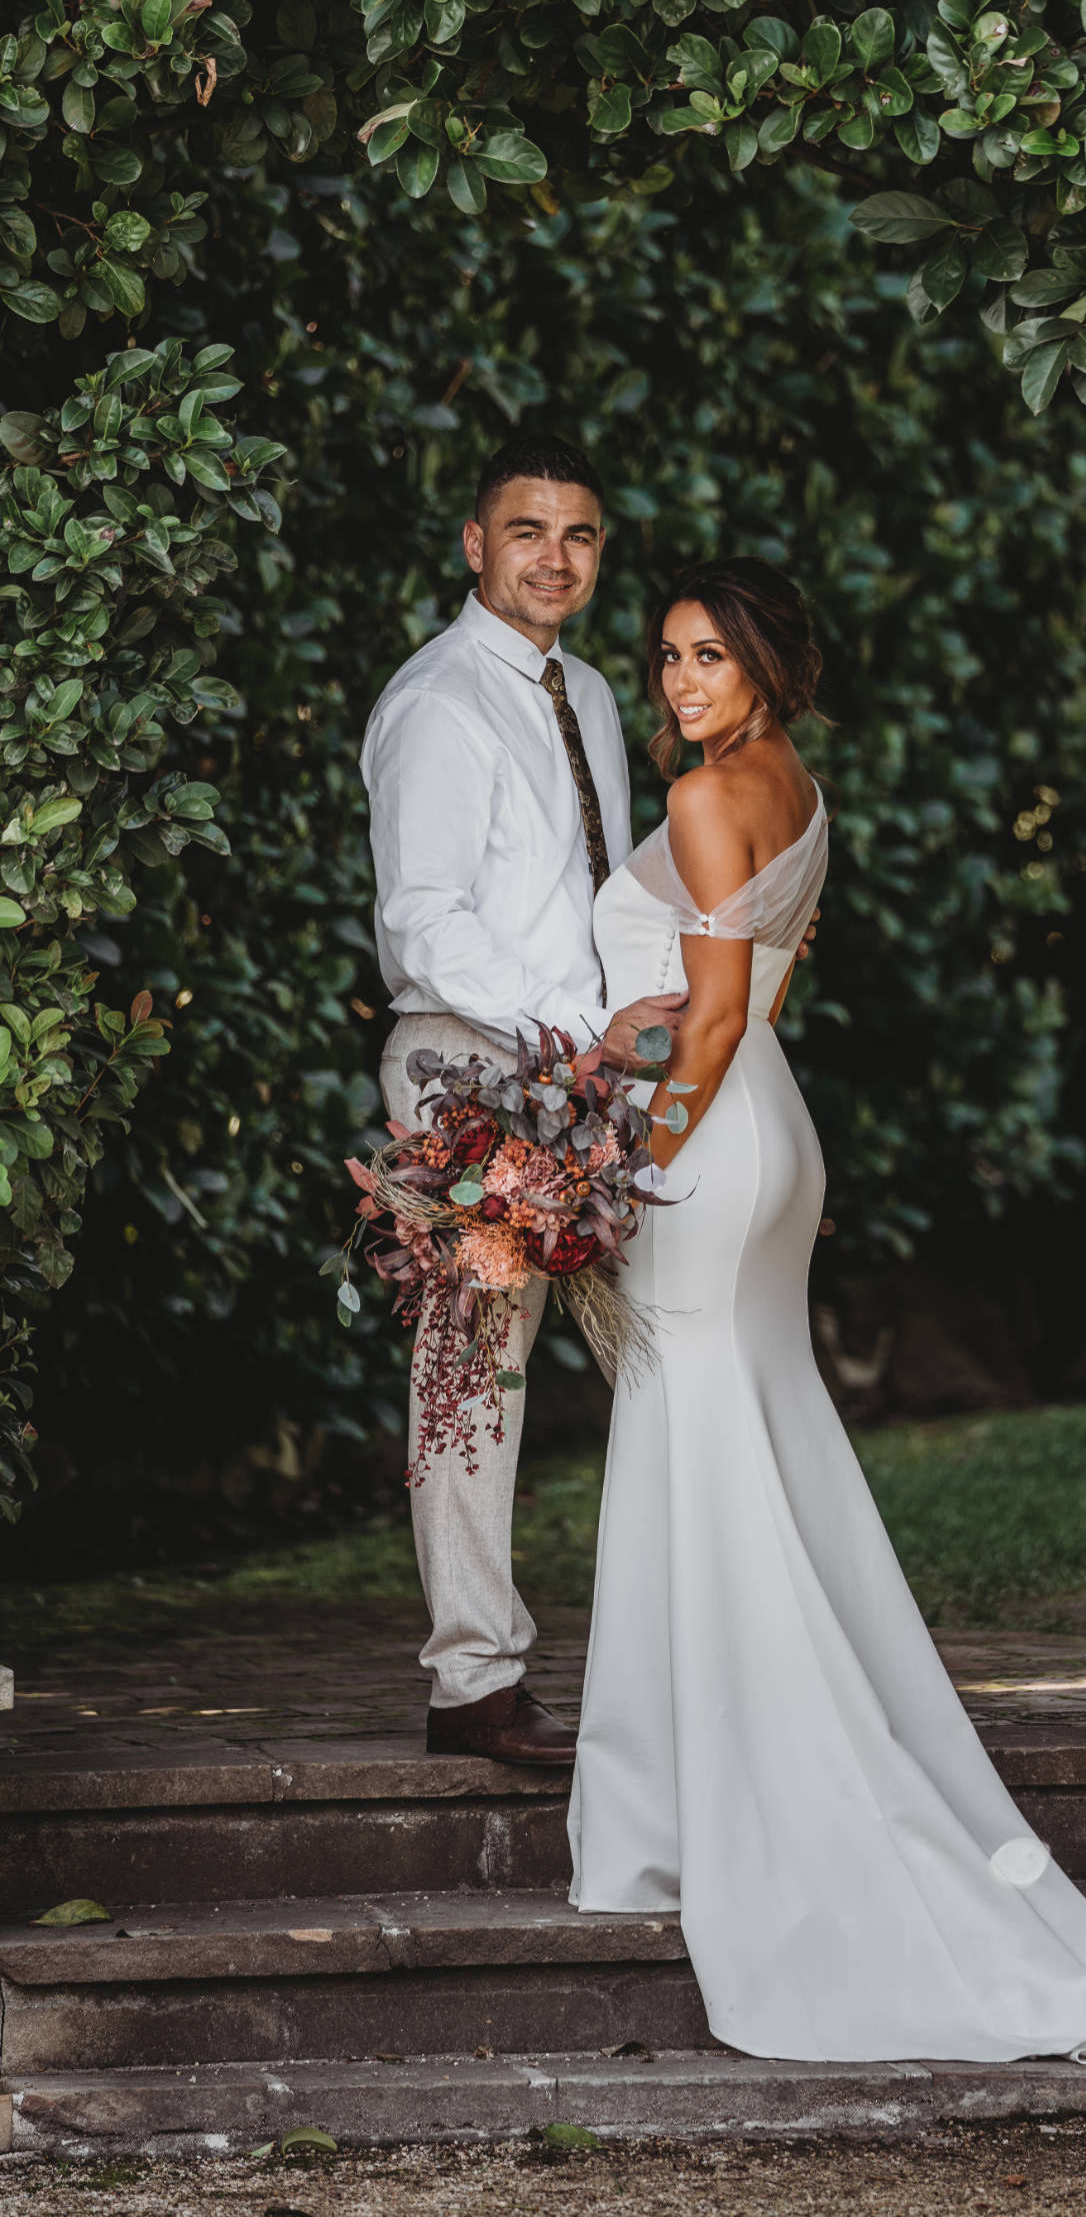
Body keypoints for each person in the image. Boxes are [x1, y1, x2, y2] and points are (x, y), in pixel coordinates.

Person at [568, 557, 1086, 2067]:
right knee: (755, 1446)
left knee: (702, 1460)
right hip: (772, 1143)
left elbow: (715, 1022)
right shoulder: (794, 789)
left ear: (769, 667)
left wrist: (621, 1175)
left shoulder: (713, 799)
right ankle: (680, 1790)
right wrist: (642, 1041)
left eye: (709, 658)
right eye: (666, 659)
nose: (680, 684)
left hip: (708, 1150)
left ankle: (707, 1801)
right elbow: (746, 1003)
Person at [360, 433, 685, 1766]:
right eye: (528, 531)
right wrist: (572, 1037)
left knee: (665, 1353)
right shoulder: (440, 702)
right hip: (468, 1077)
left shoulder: (594, 693)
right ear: (473, 546)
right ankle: (473, 1687)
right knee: (471, 1382)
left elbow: (595, 892)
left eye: (582, 536)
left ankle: (694, 1641)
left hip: (580, 1082)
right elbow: (422, 921)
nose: (556, 557)